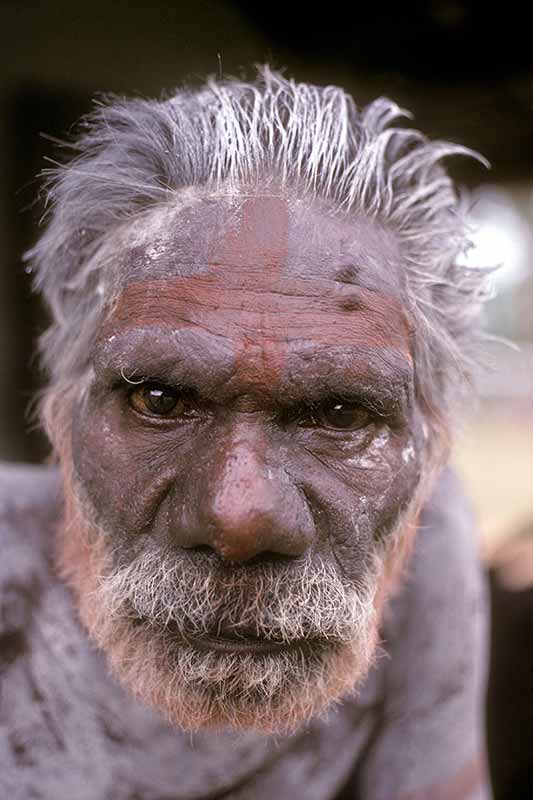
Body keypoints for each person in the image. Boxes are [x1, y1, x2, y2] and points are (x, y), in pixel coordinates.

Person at [0, 68, 491, 798]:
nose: (239, 515)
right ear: (60, 423)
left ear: (428, 453)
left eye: (340, 415)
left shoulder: (433, 537)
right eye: (160, 400)